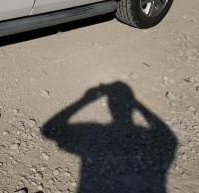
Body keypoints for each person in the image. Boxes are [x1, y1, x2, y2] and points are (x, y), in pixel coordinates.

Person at [42, 81, 177, 193]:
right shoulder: (147, 135)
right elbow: (169, 139)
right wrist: (137, 104)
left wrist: (84, 100)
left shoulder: (93, 132)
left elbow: (48, 131)